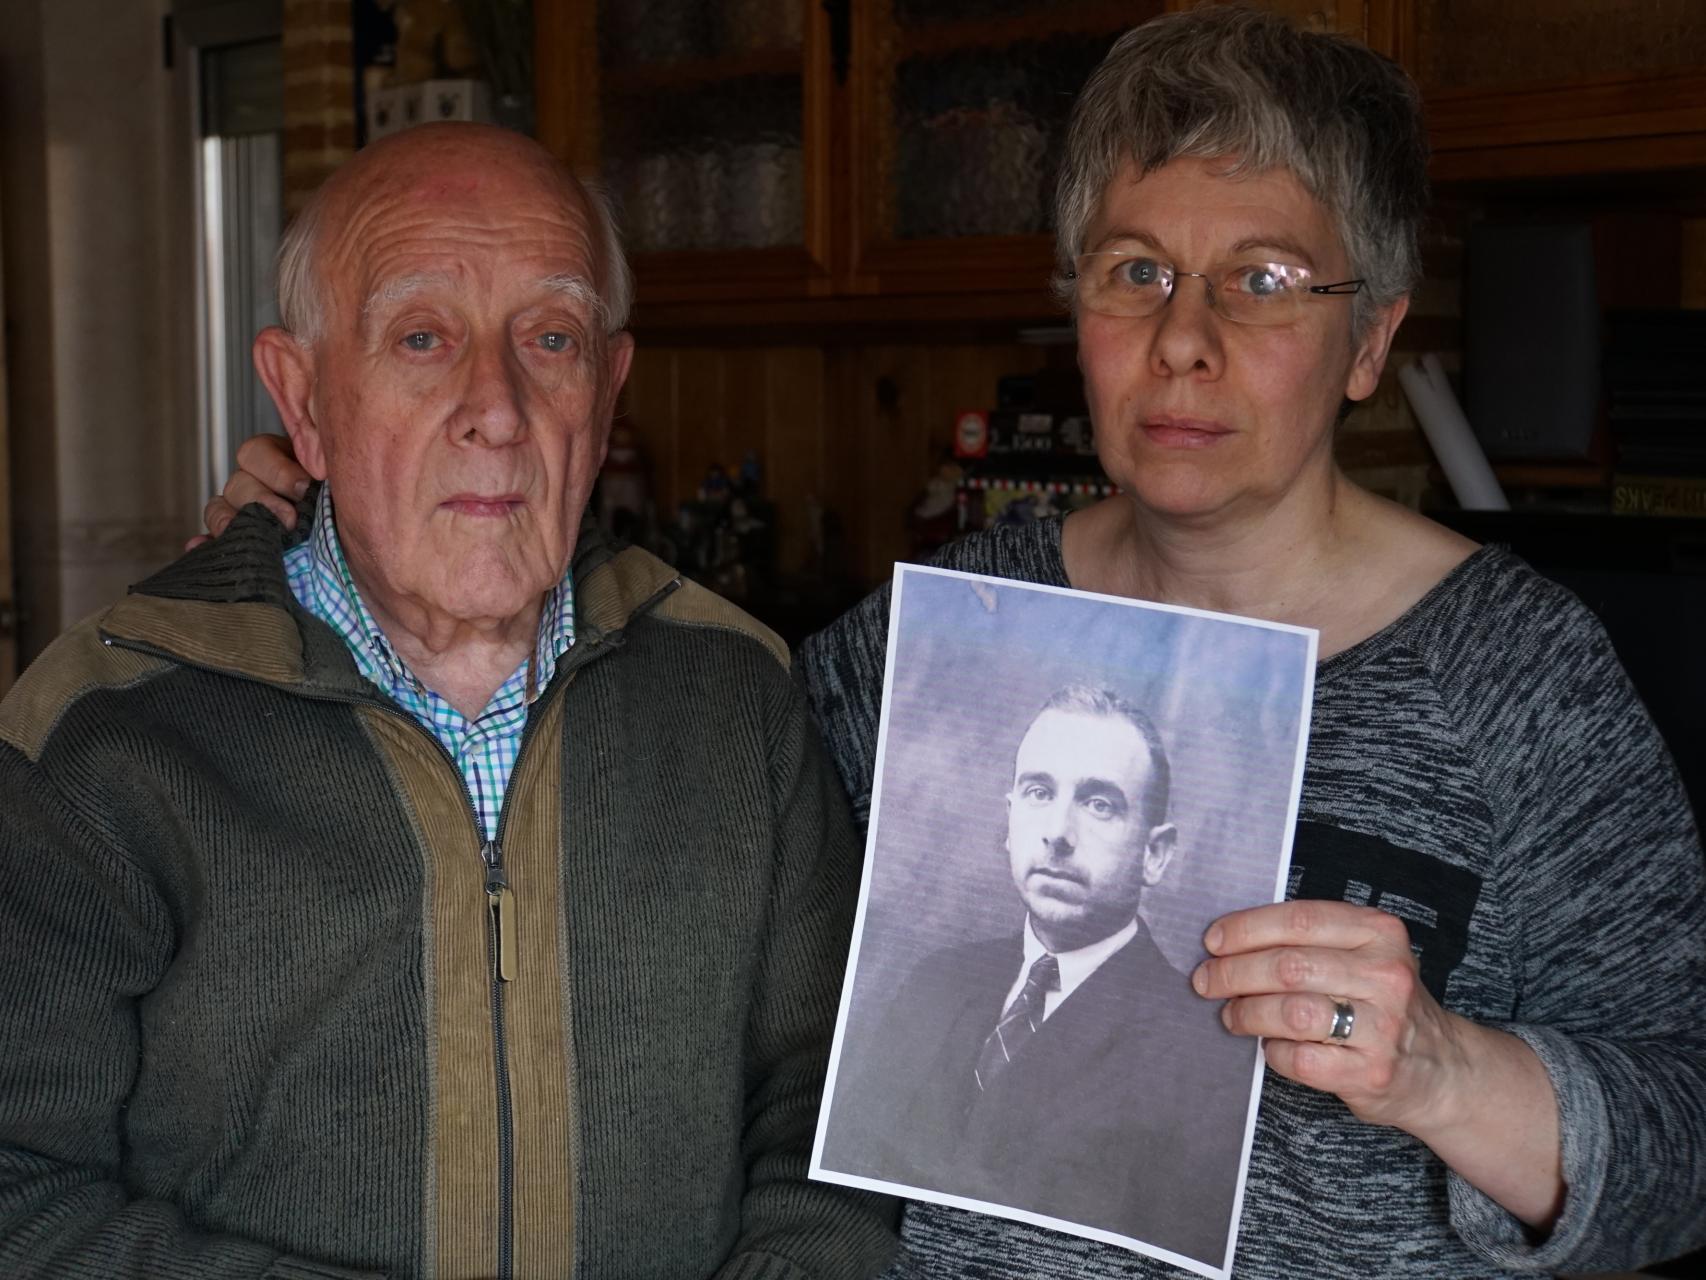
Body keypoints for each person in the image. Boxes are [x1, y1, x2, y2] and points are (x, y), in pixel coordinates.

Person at [203, 9, 1706, 1278]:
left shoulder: (1518, 679)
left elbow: (1682, 1145)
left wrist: (1445, 1069)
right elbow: (623, 763)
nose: (1183, 338)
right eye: (1132, 271)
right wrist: (359, 547)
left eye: (1259, 281)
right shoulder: (940, 635)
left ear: (1368, 337)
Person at [0, 122, 897, 1279]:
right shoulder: (106, 731)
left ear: (606, 391)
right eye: (422, 336)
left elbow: (828, 1110)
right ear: (303, 399)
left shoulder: (735, 693)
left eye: (551, 337)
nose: (497, 406)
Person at [820, 685, 1252, 1266]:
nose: (1059, 832)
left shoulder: (1201, 1050)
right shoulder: (936, 981)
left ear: (1155, 854)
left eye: (1100, 804)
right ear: (1010, 818)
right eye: (1039, 792)